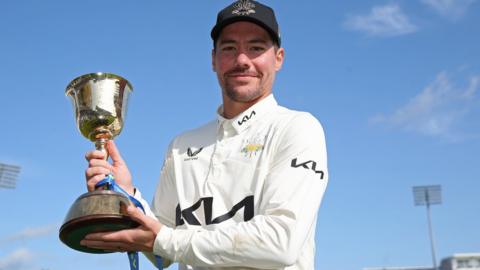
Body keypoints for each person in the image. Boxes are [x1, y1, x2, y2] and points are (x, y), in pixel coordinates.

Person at [81, 1, 329, 269]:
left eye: (256, 48)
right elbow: (161, 253)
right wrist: (127, 195)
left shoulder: (297, 128)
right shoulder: (181, 146)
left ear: (278, 58)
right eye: (229, 48)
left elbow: (281, 243)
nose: (242, 60)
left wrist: (164, 240)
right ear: (213, 59)